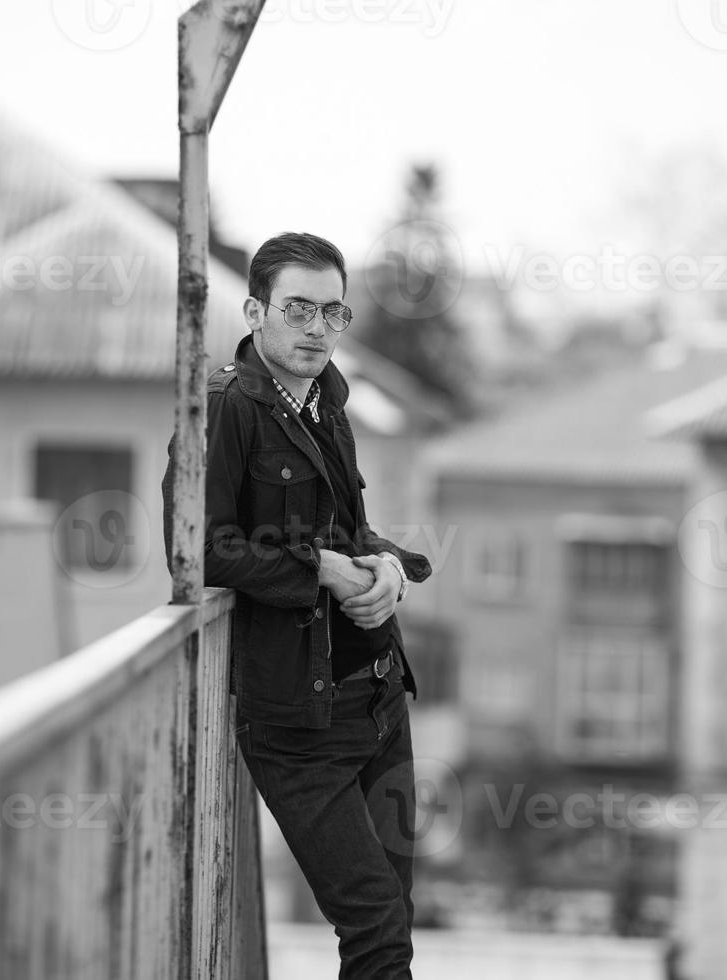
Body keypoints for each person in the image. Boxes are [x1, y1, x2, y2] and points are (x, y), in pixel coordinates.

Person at [163, 231, 431, 979]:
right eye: (300, 310)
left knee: (394, 921)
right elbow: (199, 548)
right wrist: (319, 571)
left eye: (334, 313)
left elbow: (350, 534)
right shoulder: (226, 408)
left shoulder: (327, 401)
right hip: (297, 722)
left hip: (378, 700)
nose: (318, 329)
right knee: (375, 927)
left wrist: (387, 567)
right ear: (255, 311)